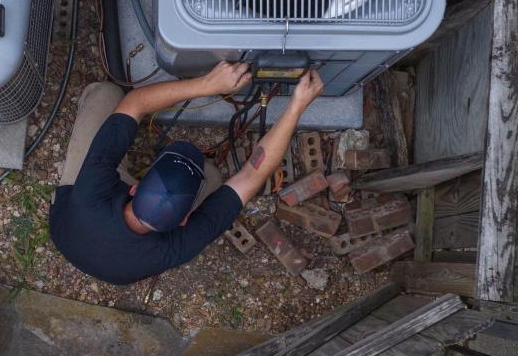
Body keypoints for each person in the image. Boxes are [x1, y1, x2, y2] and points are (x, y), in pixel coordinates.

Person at [49, 61, 325, 285]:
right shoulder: (173, 249)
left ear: (134, 188)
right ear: (183, 221)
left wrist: (208, 84)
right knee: (212, 177)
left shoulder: (92, 190)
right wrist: (296, 107)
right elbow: (252, 177)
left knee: (108, 95)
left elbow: (134, 104)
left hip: (70, 228)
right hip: (90, 235)